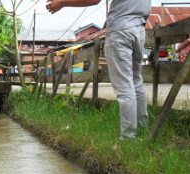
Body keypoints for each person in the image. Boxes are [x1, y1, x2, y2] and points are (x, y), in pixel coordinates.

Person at [46, 0, 151, 140]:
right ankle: (143, 130)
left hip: (120, 30)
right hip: (139, 29)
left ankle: (128, 137)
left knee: (125, 87)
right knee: (136, 81)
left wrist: (62, 2)